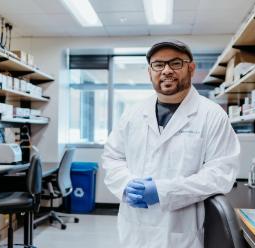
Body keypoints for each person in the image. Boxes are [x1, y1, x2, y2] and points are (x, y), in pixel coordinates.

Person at [102, 40, 240, 248]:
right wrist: (125, 183)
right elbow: (113, 156)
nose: (166, 70)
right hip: (135, 228)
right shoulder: (133, 113)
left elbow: (220, 173)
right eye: (158, 65)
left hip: (181, 231)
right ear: (150, 71)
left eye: (175, 63)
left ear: (190, 68)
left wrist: (163, 191)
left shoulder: (212, 115)